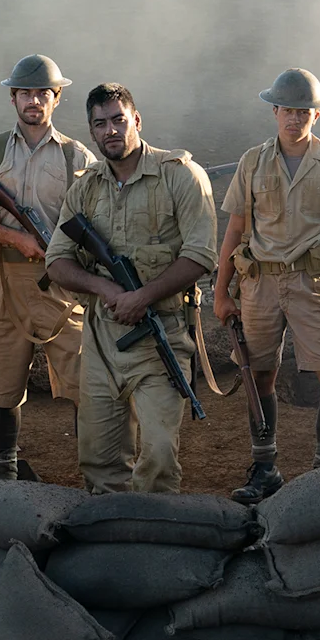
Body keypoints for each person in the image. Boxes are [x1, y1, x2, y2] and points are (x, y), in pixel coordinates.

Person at [45, 83, 218, 493]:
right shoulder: (85, 187)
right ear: (91, 133)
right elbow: (57, 262)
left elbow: (201, 255)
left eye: (119, 120)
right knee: (99, 459)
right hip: (102, 339)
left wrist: (142, 296)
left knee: (158, 453)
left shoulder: (180, 176)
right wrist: (104, 290)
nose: (111, 130)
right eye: (100, 123)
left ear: (136, 121)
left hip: (163, 335)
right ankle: (112, 540)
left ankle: (155, 538)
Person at [211, 68, 320, 503]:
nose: (294, 119)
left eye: (304, 111)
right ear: (274, 111)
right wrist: (221, 293)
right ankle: (265, 468)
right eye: (287, 111)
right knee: (259, 376)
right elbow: (235, 229)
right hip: (258, 284)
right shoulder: (252, 161)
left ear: (316, 115)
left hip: (310, 283)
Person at [0, 55, 98, 480]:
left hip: (61, 286)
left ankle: (94, 475)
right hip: (2, 282)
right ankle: (4, 474)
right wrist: (17, 238)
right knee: (1, 385)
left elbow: (94, 220)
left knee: (86, 382)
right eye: (26, 93)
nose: (34, 100)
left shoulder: (78, 157)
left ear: (56, 99)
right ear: (13, 98)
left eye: (43, 94)